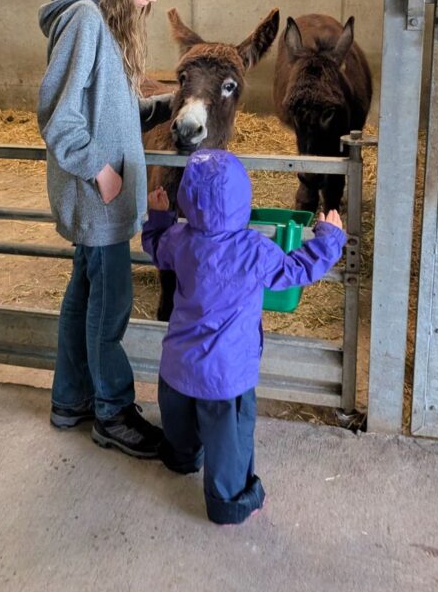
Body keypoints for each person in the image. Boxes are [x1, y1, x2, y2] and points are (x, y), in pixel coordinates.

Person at [142, 149, 347, 524]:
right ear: (243, 197)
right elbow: (297, 270)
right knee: (230, 443)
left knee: (179, 425)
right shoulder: (254, 249)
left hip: (177, 367)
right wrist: (329, 238)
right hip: (225, 374)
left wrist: (158, 216)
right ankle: (230, 502)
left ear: (187, 195)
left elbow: (154, 248)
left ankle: (181, 458)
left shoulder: (179, 239)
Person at [38, 0, 175, 459]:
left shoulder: (103, 22)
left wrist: (161, 106)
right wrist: (101, 169)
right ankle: (113, 413)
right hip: (99, 198)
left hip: (104, 196)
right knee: (110, 303)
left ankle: (70, 400)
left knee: (84, 296)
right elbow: (59, 115)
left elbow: (107, 112)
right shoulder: (86, 21)